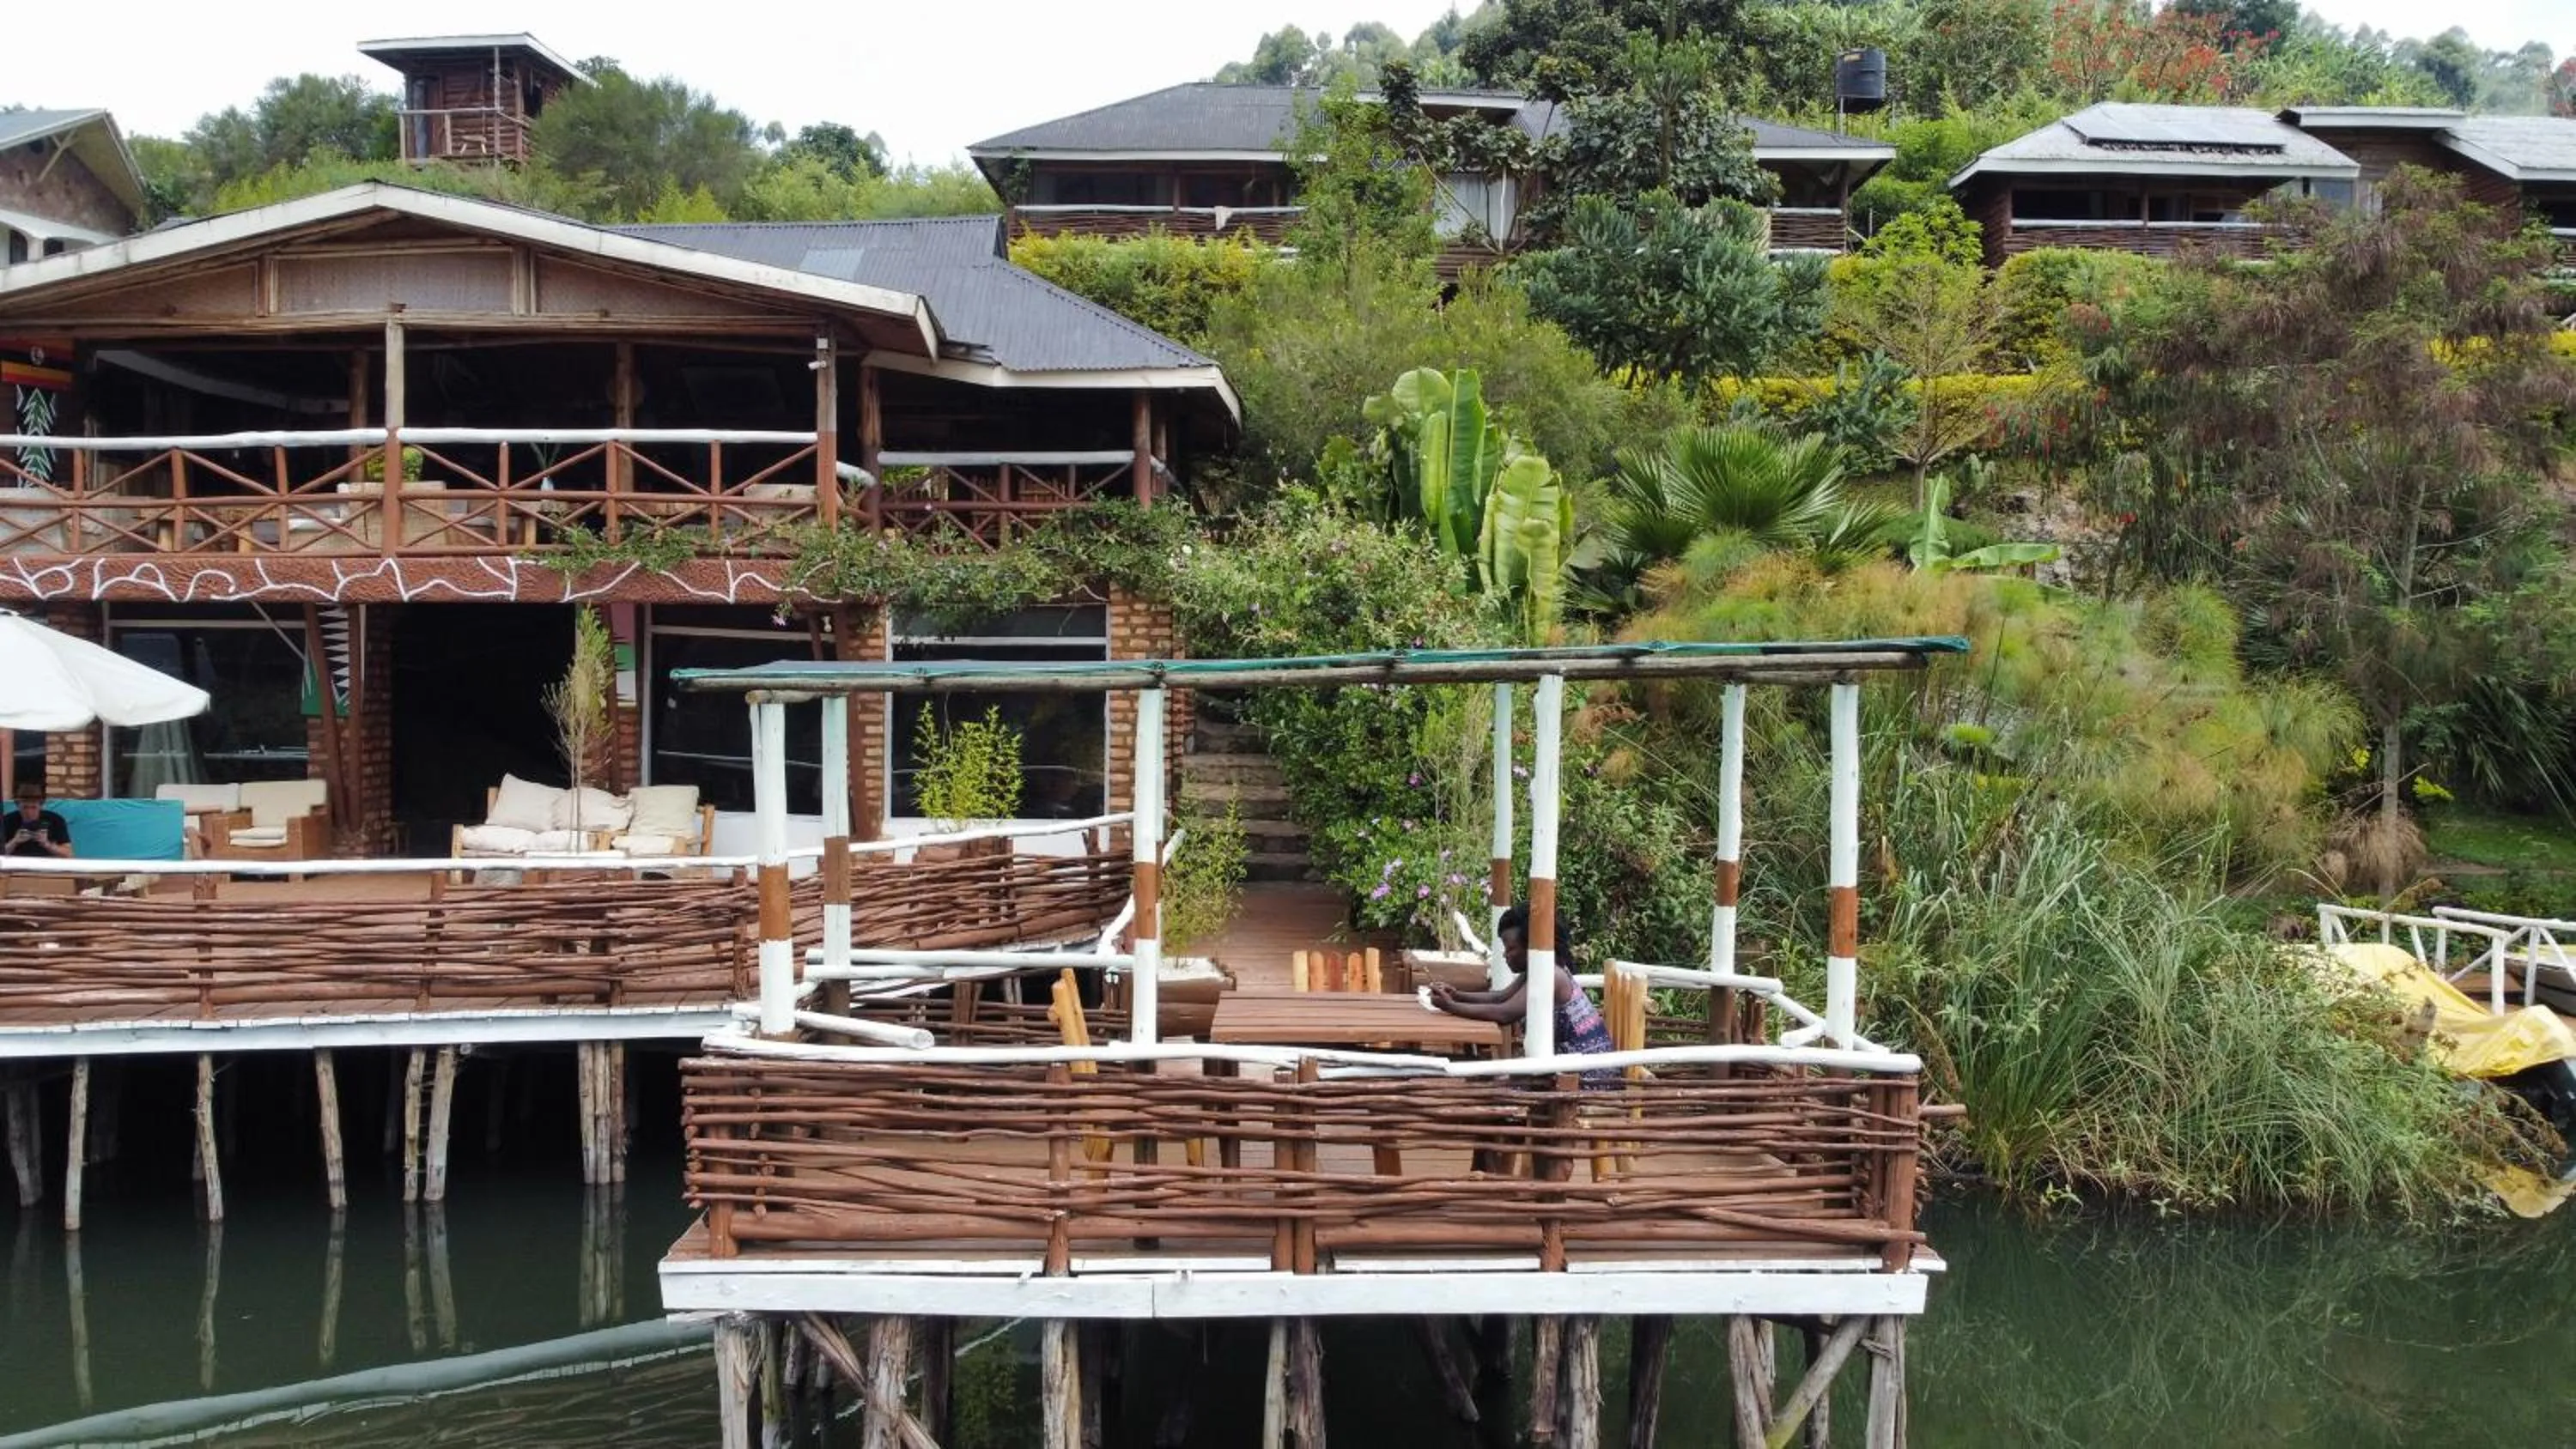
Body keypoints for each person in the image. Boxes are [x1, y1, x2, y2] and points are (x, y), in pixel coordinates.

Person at [1428, 902, 1615, 1077]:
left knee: (1490, 1086)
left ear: (1530, 947)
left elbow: (1505, 1013)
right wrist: (1457, 995)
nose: (1505, 954)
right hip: (1567, 1068)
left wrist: (1451, 1006)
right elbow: (1500, 998)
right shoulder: (1538, 970)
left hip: (1587, 1077)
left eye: (1510, 948)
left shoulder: (1551, 975)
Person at [4, 797, 72, 858]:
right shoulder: (7, 820)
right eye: (25, 807)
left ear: (41, 806)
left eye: (34, 807)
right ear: (18, 806)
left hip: (47, 863)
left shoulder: (55, 820)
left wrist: (47, 844)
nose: (29, 812)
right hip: (17, 863)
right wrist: (14, 842)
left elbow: (68, 854)